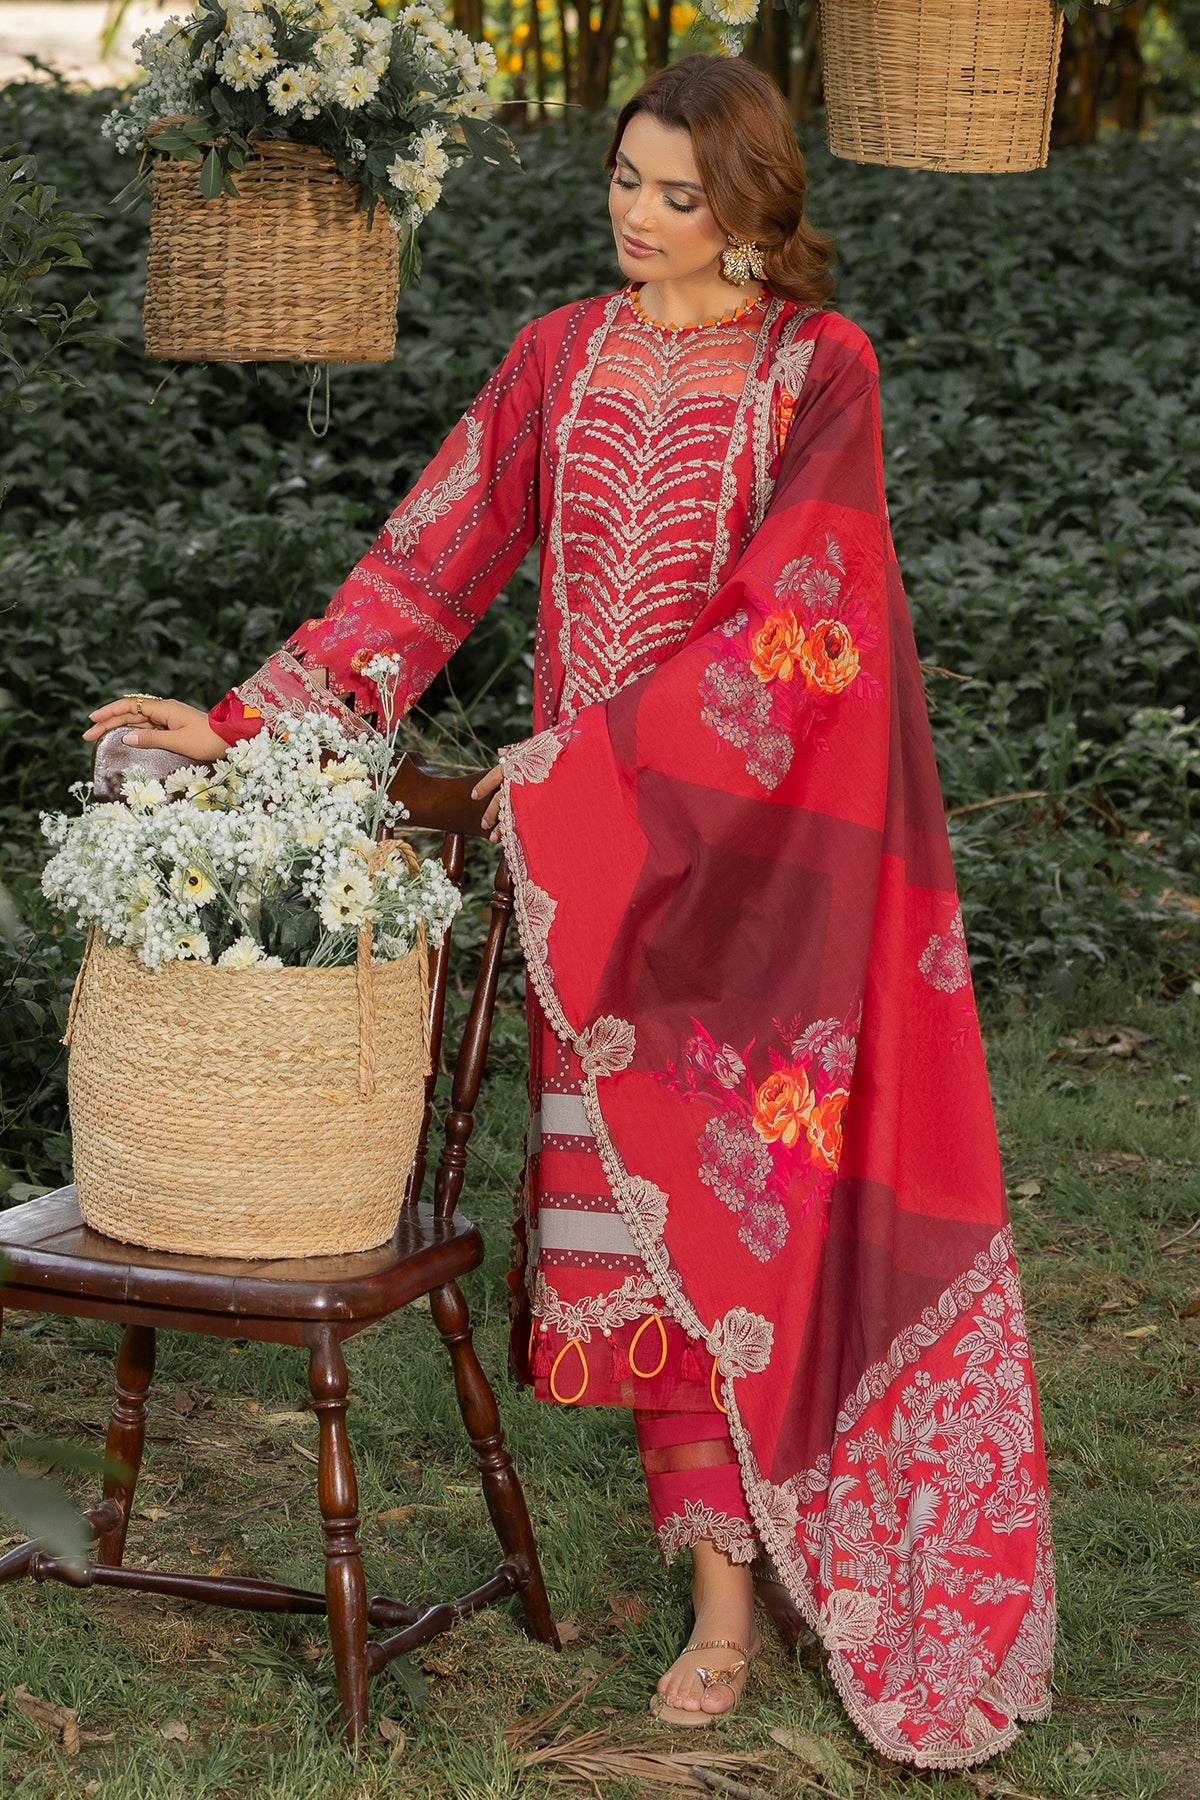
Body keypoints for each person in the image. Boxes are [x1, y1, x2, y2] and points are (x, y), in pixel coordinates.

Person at [85, 54, 1054, 1766]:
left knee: (762, 1214)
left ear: (750, 207)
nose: (640, 215)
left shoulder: (819, 368)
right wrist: (240, 724)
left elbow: (806, 617)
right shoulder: (558, 357)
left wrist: (579, 774)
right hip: (593, 879)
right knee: (646, 1224)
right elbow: (429, 565)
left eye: (681, 193)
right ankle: (720, 1590)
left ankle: (781, 1559)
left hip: (759, 878)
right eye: (625, 179)